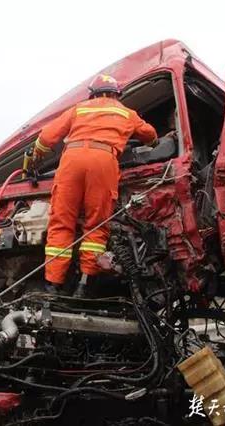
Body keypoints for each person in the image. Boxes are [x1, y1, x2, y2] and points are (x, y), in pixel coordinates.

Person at [32, 74, 158, 297]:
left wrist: (36, 154)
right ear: (116, 94)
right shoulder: (126, 113)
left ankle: (53, 285)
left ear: (92, 94)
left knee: (61, 222)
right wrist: (154, 142)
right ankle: (84, 284)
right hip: (104, 160)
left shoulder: (79, 109)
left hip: (72, 159)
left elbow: (47, 137)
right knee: (96, 224)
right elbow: (150, 135)